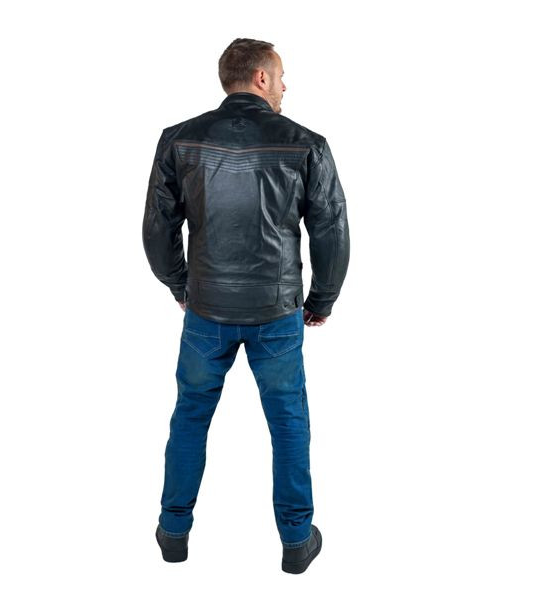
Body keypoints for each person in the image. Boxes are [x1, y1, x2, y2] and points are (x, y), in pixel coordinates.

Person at [142, 37, 350, 574]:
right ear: (260, 77)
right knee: (289, 422)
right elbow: (331, 230)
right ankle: (296, 541)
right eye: (280, 76)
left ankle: (173, 533)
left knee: (190, 417)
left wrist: (180, 286)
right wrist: (322, 299)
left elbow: (157, 228)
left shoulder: (179, 140)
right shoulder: (306, 144)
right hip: (277, 312)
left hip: (206, 310)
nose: (285, 86)